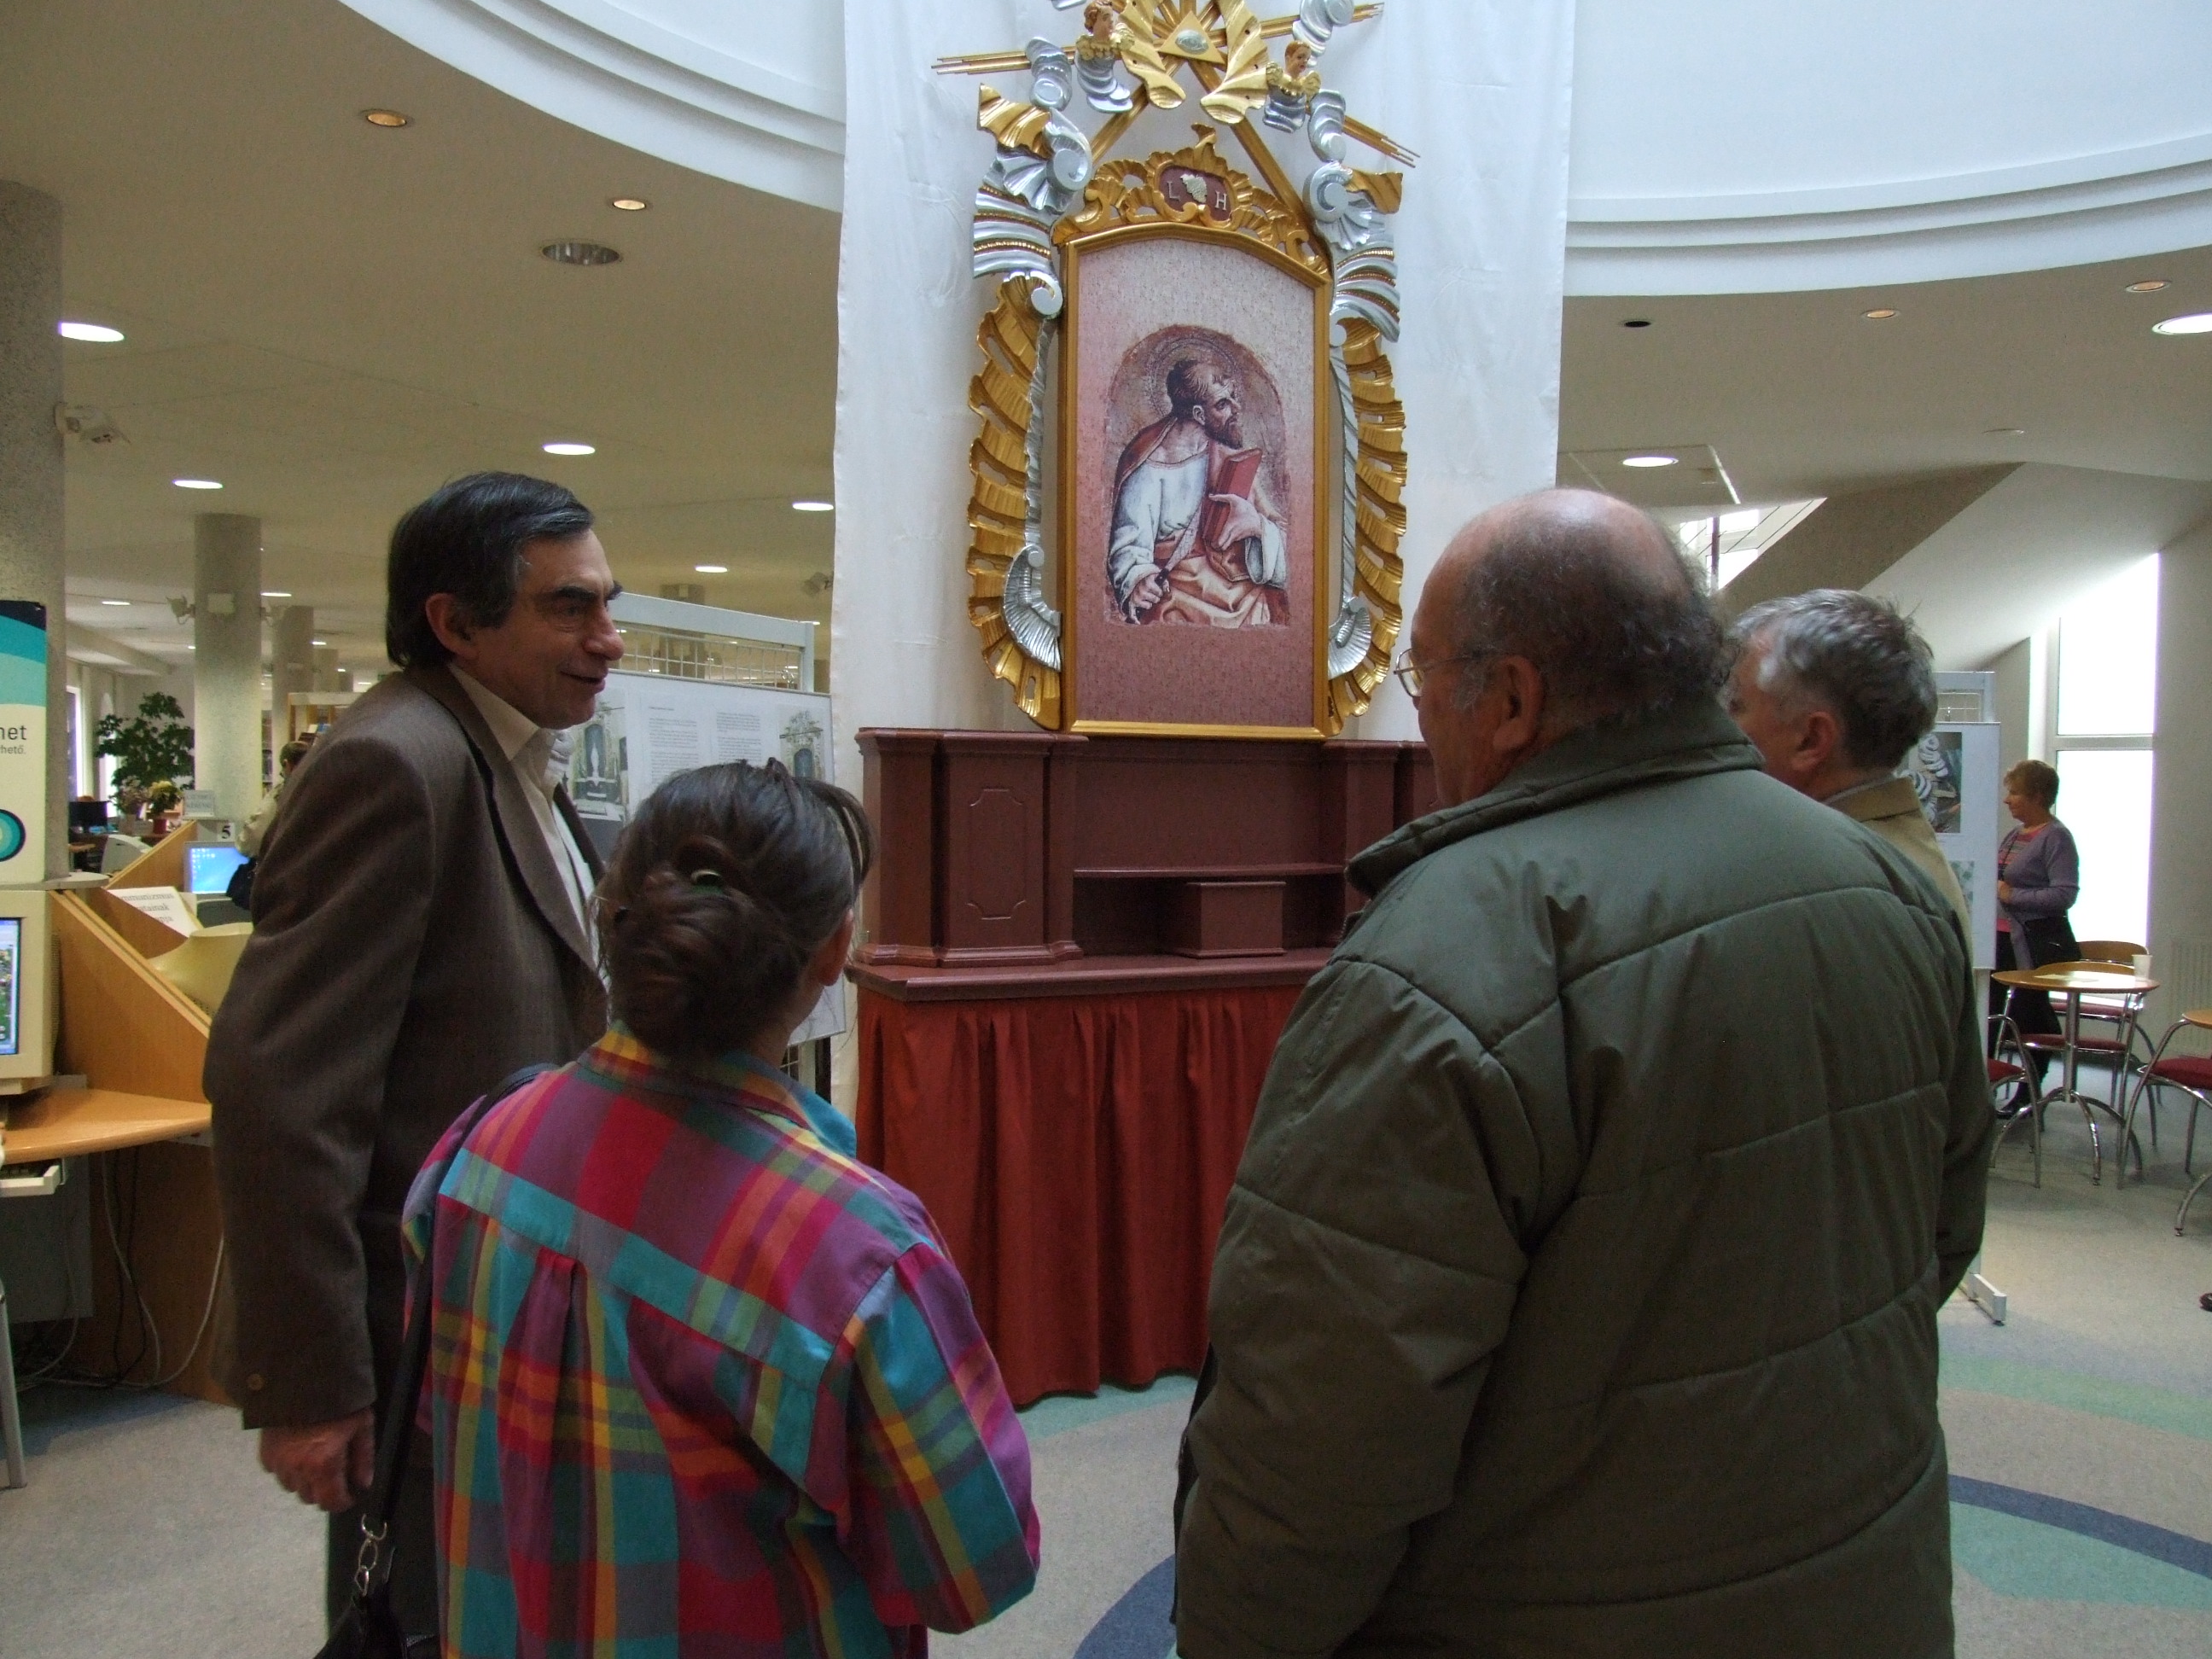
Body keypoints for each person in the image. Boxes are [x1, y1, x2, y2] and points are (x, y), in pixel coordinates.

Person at [1173, 489, 1992, 1659]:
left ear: (1511, 701)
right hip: (1866, 1580)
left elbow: (1322, 1429)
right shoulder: (1894, 889)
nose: (1421, 712)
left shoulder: (1442, 957)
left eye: (1423, 677)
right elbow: (1940, 1235)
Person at [404, 760, 1040, 1654]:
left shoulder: (476, 1146)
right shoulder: (856, 1255)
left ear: (614, 914)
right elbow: (975, 1571)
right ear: (835, 950)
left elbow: (441, 1412)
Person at [206, 471, 623, 1634]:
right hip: (418, 1337)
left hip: (508, 1313)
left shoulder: (509, 755)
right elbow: (283, 1091)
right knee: (421, 1614)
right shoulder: (395, 763)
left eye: (607, 604)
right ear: (455, 623)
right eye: (569, 607)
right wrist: (311, 1384)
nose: (608, 638)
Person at [1726, 588, 1971, 937]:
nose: (1722, 724)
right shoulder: (1885, 860)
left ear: (1811, 740)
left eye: (1736, 706)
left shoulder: (1824, 886)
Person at [1107, 355, 1288, 626]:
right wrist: (1139, 578)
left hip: (1245, 600)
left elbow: (1282, 534)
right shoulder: (1152, 468)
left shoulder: (1229, 458)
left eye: (1234, 396)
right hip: (1179, 604)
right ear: (1199, 415)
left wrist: (1258, 527)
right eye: (1223, 404)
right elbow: (1129, 547)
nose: (1236, 408)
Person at [1991, 757, 2081, 1066]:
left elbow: (2064, 894)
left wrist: (2012, 895)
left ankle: (2030, 1081)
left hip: (2030, 943)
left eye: (2014, 793)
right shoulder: (2015, 835)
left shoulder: (2056, 837)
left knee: (2029, 1016)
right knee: (1994, 1013)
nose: (2007, 800)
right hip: (2000, 939)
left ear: (2037, 797)